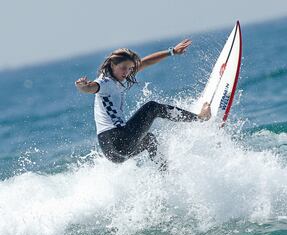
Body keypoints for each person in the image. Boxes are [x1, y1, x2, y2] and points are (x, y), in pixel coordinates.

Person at [75, 39, 211, 167]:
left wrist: (172, 51)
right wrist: (82, 86)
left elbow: (145, 62)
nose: (127, 72)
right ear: (112, 65)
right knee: (152, 107)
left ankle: (165, 177)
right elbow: (90, 88)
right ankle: (200, 118)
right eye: (124, 68)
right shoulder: (105, 82)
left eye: (130, 69)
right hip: (117, 139)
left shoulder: (120, 77)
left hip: (111, 153)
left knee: (149, 140)